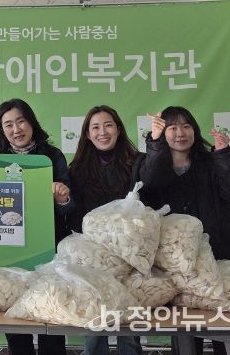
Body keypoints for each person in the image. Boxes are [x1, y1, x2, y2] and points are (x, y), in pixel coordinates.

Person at [140, 106, 230, 355]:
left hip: (222, 256)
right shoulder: (150, 163)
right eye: (172, 127)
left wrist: (223, 155)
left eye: (186, 126)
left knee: (229, 330)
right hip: (177, 266)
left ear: (195, 130)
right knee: (185, 338)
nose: (180, 133)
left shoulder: (212, 162)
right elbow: (149, 184)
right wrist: (155, 143)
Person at [0, 98, 71, 355]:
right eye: (8, 125)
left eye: (21, 121)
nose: (16, 129)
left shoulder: (53, 156)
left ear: (31, 123)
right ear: (1, 130)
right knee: (15, 317)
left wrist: (62, 198)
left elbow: (69, 207)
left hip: (49, 247)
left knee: (51, 312)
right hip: (11, 249)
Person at [67, 105, 143, 355]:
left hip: (130, 254)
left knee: (128, 323)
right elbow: (73, 214)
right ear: (87, 134)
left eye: (108, 125)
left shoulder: (137, 162)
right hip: (93, 257)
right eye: (96, 127)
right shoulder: (76, 169)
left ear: (118, 129)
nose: (103, 132)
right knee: (95, 322)